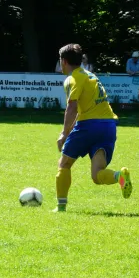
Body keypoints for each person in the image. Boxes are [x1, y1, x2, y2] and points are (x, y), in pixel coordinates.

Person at [54, 43, 132, 212]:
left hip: (89, 125)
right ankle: (119, 177)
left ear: (64, 61)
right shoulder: (91, 76)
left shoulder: (72, 78)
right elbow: (84, 108)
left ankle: (60, 208)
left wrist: (64, 134)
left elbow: (72, 107)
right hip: (109, 126)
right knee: (97, 175)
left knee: (64, 164)